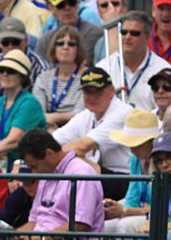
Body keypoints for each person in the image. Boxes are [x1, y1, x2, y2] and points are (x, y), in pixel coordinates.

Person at [53, 69, 133, 199]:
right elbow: (51, 141)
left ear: (111, 90)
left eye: (98, 92)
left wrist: (50, 157)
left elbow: (82, 146)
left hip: (126, 180)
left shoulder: (123, 112)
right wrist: (21, 162)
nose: (92, 97)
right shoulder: (86, 115)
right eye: (87, 92)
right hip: (102, 178)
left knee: (75, 162)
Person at [0, 50, 46, 166]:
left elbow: (13, 141)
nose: (4, 74)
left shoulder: (29, 103)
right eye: (1, 70)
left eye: (11, 71)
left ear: (22, 77)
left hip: (21, 167)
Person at [99, 11, 171, 111]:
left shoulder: (162, 69)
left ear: (147, 36)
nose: (127, 37)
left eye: (134, 33)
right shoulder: (104, 67)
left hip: (148, 124)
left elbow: (164, 111)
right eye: (124, 32)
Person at [33, 28, 88, 128]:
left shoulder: (88, 77)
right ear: (54, 48)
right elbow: (37, 112)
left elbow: (81, 113)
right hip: (47, 129)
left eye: (71, 44)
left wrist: (54, 117)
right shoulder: (43, 78)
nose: (65, 47)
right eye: (60, 44)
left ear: (78, 49)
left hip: (78, 129)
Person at [37, 0, 103, 58]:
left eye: (72, 2)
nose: (67, 8)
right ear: (51, 8)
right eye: (61, 5)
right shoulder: (46, 39)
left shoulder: (94, 33)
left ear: (77, 4)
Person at [92, 0, 129, 65]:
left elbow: (117, 64)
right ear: (99, 11)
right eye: (104, 5)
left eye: (115, 3)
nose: (110, 8)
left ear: (124, 8)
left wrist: (112, 23)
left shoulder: (131, 34)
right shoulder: (99, 43)